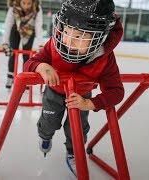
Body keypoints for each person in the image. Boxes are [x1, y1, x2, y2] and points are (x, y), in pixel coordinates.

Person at [23, 0, 124, 177]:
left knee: (77, 130)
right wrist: (41, 67)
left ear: (99, 36)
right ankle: (45, 136)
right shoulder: (55, 43)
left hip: (81, 98)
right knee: (49, 123)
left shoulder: (105, 58)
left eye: (78, 36)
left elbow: (116, 91)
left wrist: (90, 103)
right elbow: (31, 63)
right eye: (66, 31)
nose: (68, 41)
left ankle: (73, 152)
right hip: (54, 92)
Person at [2, 0, 43, 89]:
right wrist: (5, 43)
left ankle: (26, 79)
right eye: (23, 3)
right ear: (19, 1)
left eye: (29, 3)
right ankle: (10, 77)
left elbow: (38, 26)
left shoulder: (37, 9)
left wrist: (40, 45)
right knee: (12, 54)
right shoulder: (13, 8)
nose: (26, 6)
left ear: (33, 2)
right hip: (15, 30)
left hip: (29, 31)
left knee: (27, 56)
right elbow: (8, 25)